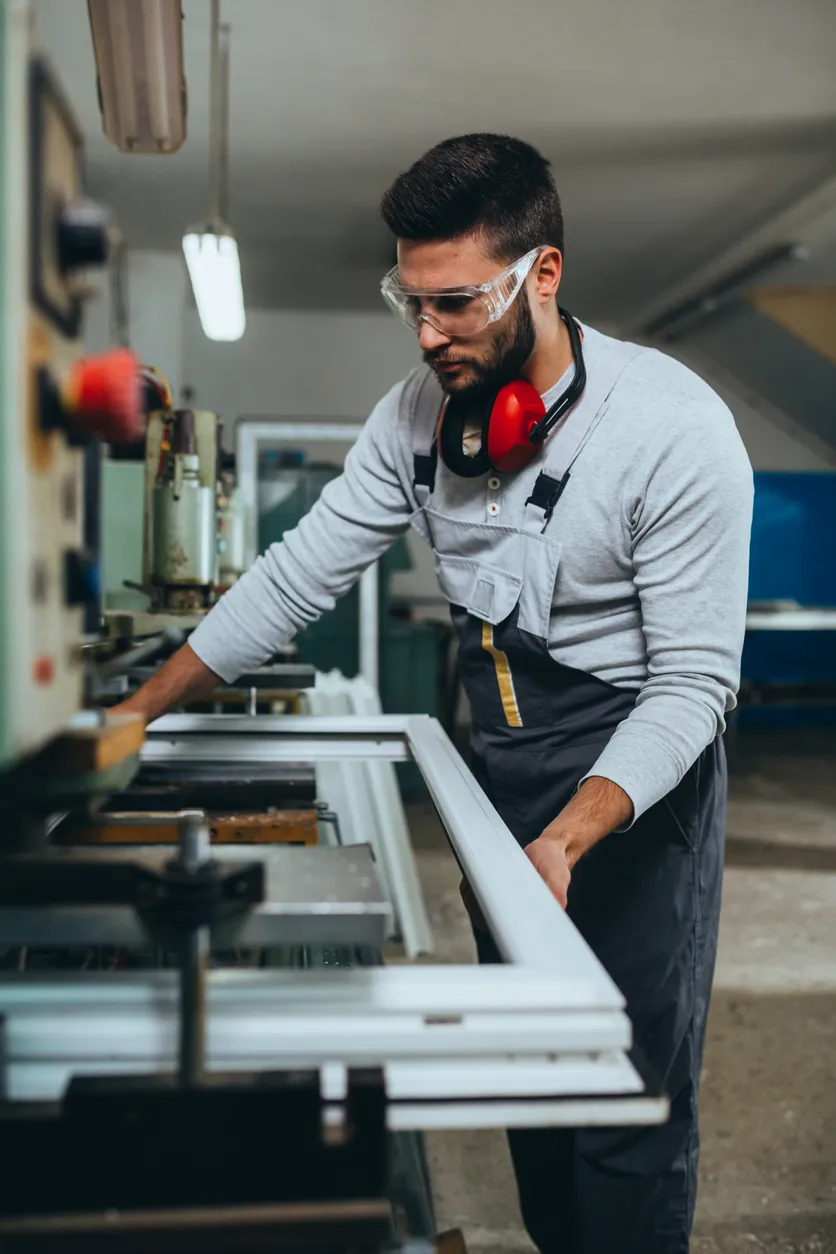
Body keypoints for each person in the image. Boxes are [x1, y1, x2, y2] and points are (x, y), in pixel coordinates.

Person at [116, 134, 753, 1253]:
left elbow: (691, 683)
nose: (426, 334)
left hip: (631, 788)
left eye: (454, 303)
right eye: (408, 301)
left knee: (626, 1080)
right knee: (527, 1060)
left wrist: (560, 842)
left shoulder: (671, 430)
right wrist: (133, 714)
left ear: (539, 275)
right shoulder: (414, 421)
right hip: (499, 767)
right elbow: (293, 577)